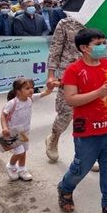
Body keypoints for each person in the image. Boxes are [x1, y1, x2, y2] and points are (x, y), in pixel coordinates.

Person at [57, 28, 107, 213]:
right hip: (87, 130)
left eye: (104, 42)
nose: (104, 47)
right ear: (84, 48)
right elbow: (71, 99)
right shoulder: (74, 70)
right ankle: (65, 188)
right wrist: (98, 93)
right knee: (81, 168)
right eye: (98, 44)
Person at [45, 16, 85, 162]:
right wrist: (51, 75)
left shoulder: (98, 19)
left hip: (89, 73)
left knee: (86, 115)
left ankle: (85, 154)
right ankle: (53, 139)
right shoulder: (66, 23)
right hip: (67, 75)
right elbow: (55, 49)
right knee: (66, 113)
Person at [1, 78, 52, 181]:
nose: (31, 90)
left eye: (32, 87)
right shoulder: (12, 103)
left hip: (25, 131)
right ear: (18, 91)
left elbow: (45, 93)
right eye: (27, 88)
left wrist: (50, 88)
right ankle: (11, 166)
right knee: (19, 152)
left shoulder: (30, 99)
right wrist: (5, 127)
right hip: (14, 132)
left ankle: (22, 169)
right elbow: (3, 115)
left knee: (24, 151)